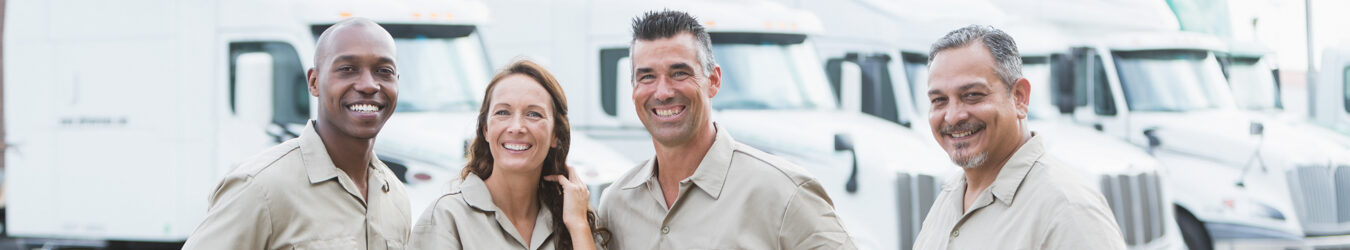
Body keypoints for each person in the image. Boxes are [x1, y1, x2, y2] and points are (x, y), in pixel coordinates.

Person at [595, 10, 855, 249]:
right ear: (633, 90)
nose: (662, 92)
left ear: (714, 81)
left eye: (679, 73)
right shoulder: (617, 202)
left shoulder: (784, 192)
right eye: (647, 77)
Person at [183, 17, 410, 249]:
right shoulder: (260, 188)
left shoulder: (395, 196)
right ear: (313, 81)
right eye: (347, 69)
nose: (369, 85)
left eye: (384, 71)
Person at [912, 25, 1126, 249]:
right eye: (939, 100)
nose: (953, 116)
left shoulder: (1068, 210)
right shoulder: (950, 196)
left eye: (972, 95)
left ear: (1019, 98)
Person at [409, 60, 604, 250]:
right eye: (503, 112)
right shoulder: (446, 218)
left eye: (533, 114)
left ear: (555, 135)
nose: (516, 127)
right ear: (486, 130)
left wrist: (578, 225)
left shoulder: (577, 216)